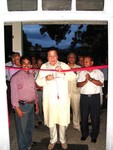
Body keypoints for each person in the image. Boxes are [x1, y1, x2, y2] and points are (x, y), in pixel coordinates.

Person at [36, 47, 76, 150]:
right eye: (50, 55)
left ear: (57, 56)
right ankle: (53, 140)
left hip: (62, 100)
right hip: (50, 100)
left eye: (54, 55)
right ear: (47, 57)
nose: (52, 57)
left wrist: (63, 72)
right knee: (51, 122)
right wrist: (45, 78)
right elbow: (38, 82)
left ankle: (63, 140)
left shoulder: (63, 65)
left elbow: (73, 77)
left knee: (62, 122)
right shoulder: (44, 67)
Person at [10, 56, 39, 150]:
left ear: (30, 64)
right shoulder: (15, 77)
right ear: (21, 65)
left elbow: (34, 91)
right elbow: (13, 95)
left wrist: (37, 105)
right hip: (22, 106)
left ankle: (29, 143)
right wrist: (17, 109)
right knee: (21, 130)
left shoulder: (31, 75)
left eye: (28, 63)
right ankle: (23, 148)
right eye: (24, 63)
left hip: (31, 106)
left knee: (29, 127)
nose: (26, 65)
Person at [77, 56, 104, 143]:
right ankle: (84, 134)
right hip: (84, 97)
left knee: (95, 117)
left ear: (92, 62)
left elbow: (101, 83)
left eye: (86, 61)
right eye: (84, 62)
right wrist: (85, 81)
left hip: (95, 97)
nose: (84, 63)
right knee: (84, 117)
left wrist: (91, 79)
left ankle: (94, 135)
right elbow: (78, 85)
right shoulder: (81, 72)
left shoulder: (98, 72)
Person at [67, 52, 81, 131]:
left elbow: (80, 79)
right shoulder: (64, 67)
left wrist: (76, 74)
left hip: (76, 92)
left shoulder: (79, 68)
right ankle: (65, 125)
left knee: (76, 110)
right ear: (68, 58)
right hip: (66, 92)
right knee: (65, 109)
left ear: (75, 59)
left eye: (73, 57)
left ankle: (76, 125)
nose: (71, 58)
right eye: (70, 57)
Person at [35, 58, 44, 127]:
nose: (40, 65)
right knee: (39, 106)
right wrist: (40, 88)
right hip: (38, 91)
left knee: (45, 106)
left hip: (45, 91)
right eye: (38, 63)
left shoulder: (45, 71)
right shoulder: (34, 71)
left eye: (41, 63)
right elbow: (34, 82)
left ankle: (45, 119)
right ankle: (40, 119)